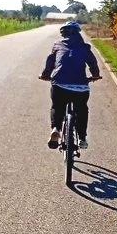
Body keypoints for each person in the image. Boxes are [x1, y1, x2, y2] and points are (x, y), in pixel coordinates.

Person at [39, 20, 101, 149]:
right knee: (82, 109)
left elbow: (50, 62)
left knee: (57, 105)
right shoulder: (85, 48)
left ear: (63, 34)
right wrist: (95, 75)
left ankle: (56, 128)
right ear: (78, 33)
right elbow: (93, 63)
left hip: (59, 85)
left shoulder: (57, 45)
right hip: (80, 87)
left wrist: (45, 75)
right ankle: (82, 138)